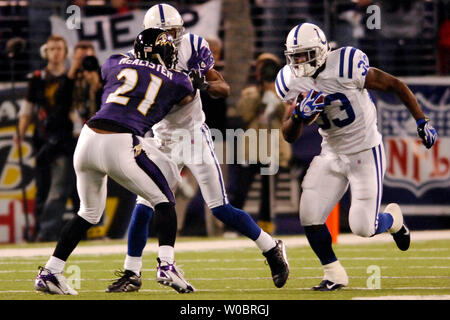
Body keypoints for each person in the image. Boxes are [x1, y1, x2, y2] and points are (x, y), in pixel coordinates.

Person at [105, 3, 289, 293]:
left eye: (174, 32)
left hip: (192, 135)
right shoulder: (136, 58)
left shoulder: (191, 46)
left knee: (219, 208)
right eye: (163, 34)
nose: (171, 39)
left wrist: (200, 81)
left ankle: (270, 248)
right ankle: (132, 272)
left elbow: (223, 88)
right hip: (161, 139)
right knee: (144, 203)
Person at [34, 28, 195, 295]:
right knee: (164, 201)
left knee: (88, 214)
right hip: (119, 140)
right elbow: (187, 95)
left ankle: (51, 271)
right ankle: (166, 265)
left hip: (86, 139)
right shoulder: (177, 79)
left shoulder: (113, 61)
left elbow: (120, 74)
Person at [278, 23, 437, 291]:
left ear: (319, 50)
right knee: (309, 214)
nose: (299, 61)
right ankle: (334, 274)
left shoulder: (347, 64)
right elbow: (289, 135)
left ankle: (393, 220)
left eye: (304, 54)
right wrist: (297, 116)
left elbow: (395, 85)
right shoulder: (290, 80)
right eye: (295, 56)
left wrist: (422, 121)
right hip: (331, 153)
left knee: (363, 227)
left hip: (365, 151)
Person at [15, 35, 76, 242]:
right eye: (52, 49)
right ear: (46, 52)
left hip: (65, 138)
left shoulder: (72, 78)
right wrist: (20, 132)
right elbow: (27, 108)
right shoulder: (37, 78)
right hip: (42, 138)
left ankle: (47, 231)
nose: (56, 52)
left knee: (58, 188)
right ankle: (39, 230)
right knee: (42, 187)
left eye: (59, 48)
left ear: (65, 52)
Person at [228, 53, 292, 234]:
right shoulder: (250, 92)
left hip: (273, 148)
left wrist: (274, 96)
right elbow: (245, 114)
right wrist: (260, 95)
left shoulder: (283, 92)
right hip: (252, 148)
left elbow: (285, 117)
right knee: (241, 189)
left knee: (269, 194)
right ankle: (232, 227)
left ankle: (266, 227)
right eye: (263, 66)